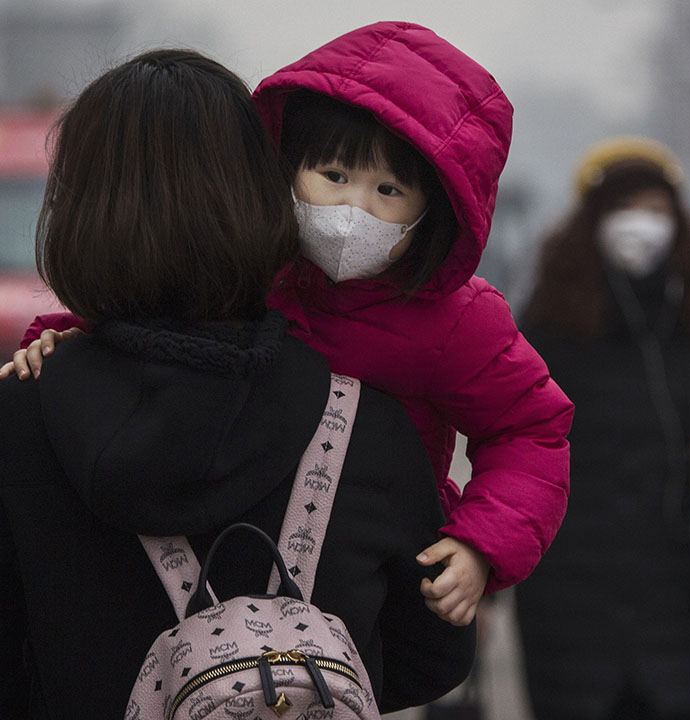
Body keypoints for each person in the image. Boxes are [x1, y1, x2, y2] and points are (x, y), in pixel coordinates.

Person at [4, 22, 574, 627]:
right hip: (244, 535)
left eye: (389, 190)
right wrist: (64, 333)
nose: (355, 211)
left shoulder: (460, 320)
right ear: (285, 164)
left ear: (432, 211)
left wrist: (480, 543)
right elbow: (157, 306)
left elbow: (531, 429)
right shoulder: (259, 263)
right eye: (333, 176)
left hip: (371, 560)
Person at [0, 49, 474, 718]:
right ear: (264, 194)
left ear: (77, 210)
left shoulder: (21, 419)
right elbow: (434, 658)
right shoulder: (367, 423)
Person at [513, 137, 690, 720]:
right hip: (569, 585)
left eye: (655, 210)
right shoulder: (548, 315)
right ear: (593, 220)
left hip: (676, 574)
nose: (640, 225)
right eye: (625, 209)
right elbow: (510, 437)